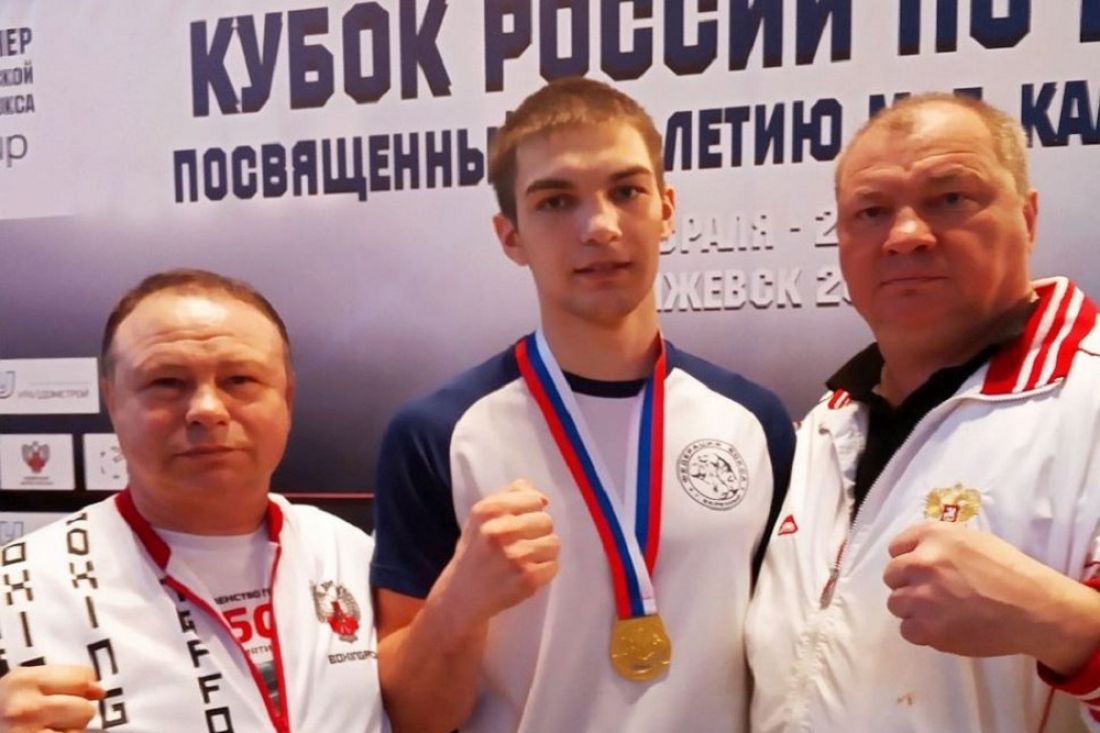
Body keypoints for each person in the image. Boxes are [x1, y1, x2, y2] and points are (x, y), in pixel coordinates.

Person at [370, 77, 795, 733]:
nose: (598, 227)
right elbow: (411, 715)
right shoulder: (437, 434)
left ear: (666, 209)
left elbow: (793, 658)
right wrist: (459, 602)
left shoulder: (755, 422)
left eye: (626, 192)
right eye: (555, 202)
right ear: (510, 236)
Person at [745, 93, 1100, 732]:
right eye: (872, 211)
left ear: (1028, 216)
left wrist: (1065, 625)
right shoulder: (826, 424)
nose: (906, 235)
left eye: (951, 198)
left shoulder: (1088, 398)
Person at [0, 269, 387, 733]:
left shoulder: (352, 554)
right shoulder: (16, 587)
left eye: (240, 379)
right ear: (113, 402)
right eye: (167, 382)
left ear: (286, 398)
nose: (207, 409)